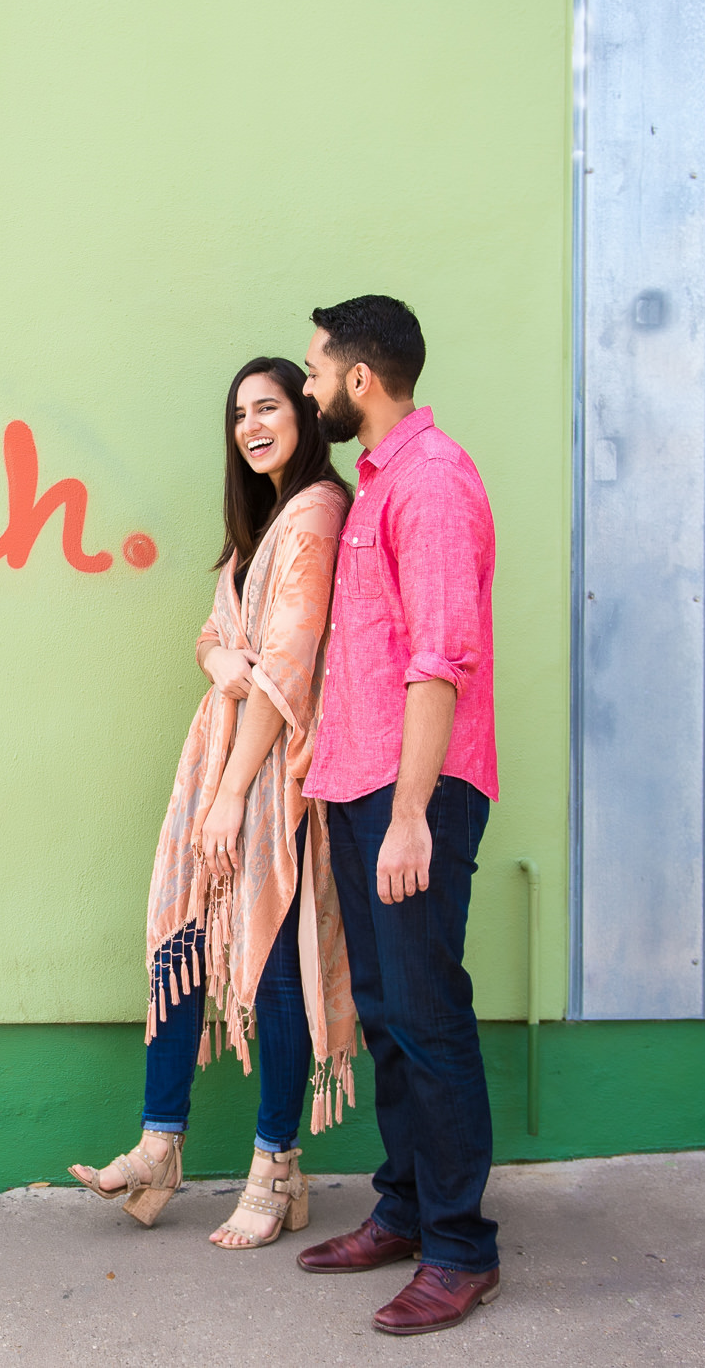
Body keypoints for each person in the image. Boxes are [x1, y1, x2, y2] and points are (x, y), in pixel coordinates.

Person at [69, 356, 362, 1250]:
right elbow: (218, 637)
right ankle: (161, 1144)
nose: (252, 425)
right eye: (239, 413)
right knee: (188, 938)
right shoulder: (261, 524)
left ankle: (276, 1162)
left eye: (269, 406)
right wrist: (217, 663)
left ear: (305, 416)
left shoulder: (315, 513)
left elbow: (289, 665)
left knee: (271, 958)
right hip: (222, 764)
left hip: (268, 773)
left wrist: (233, 794)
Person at [291, 296, 502, 1336]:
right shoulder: (376, 486)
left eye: (314, 369)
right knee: (387, 1014)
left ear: (359, 378)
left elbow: (440, 659)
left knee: (428, 1016)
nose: (306, 385)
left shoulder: (430, 482)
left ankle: (462, 1248)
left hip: (411, 793)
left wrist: (412, 812)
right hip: (360, 785)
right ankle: (406, 1207)